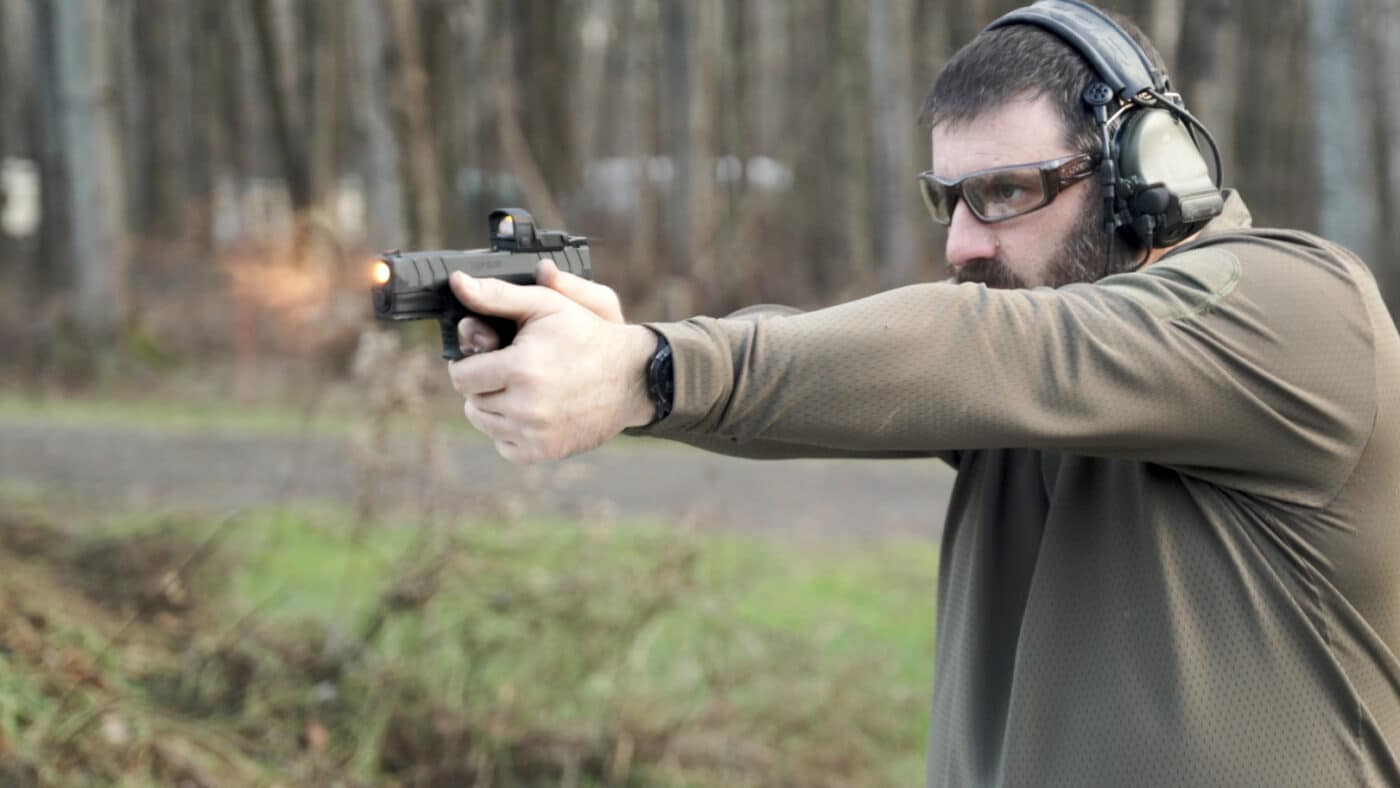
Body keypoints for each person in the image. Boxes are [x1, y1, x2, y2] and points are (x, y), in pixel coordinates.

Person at [446, 0, 1400, 783]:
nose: (962, 244)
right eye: (949, 198)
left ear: (1145, 174)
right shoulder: (1033, 362)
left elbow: (977, 345)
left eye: (1007, 192)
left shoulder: (1298, 310)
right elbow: (852, 371)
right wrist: (623, 353)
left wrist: (653, 368)